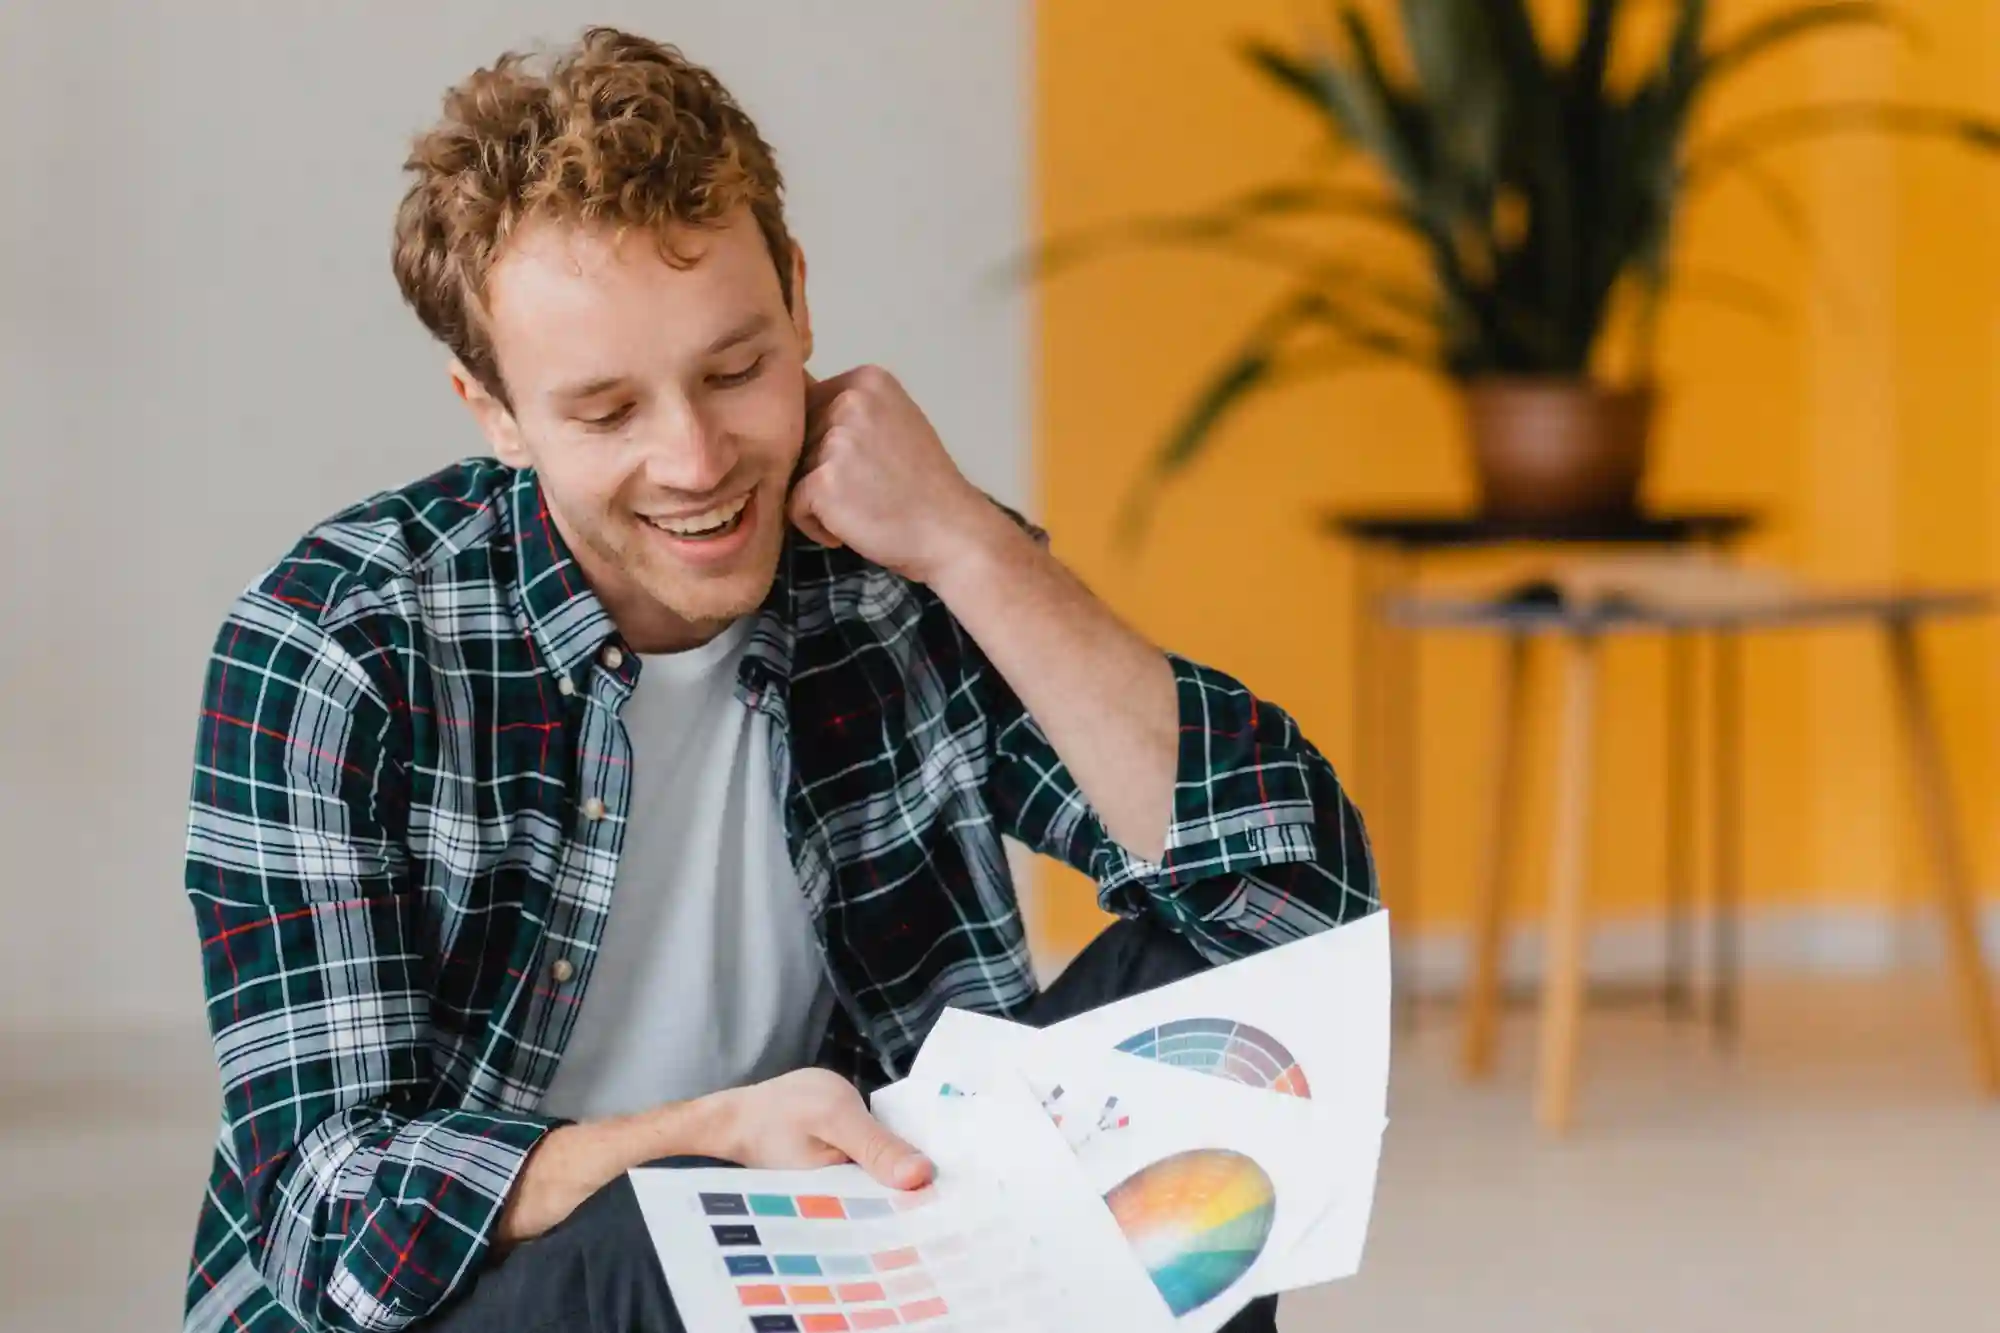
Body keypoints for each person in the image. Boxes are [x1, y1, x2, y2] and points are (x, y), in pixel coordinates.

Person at [179, 27, 1377, 1333]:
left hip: (834, 1255)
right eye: (606, 413)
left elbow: (1291, 907)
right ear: (494, 411)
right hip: (500, 1297)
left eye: (737, 370)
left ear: (800, 299)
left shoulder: (898, 570)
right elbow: (327, 1212)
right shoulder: (333, 653)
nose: (696, 461)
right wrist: (703, 1140)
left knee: (1201, 1056)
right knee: (645, 1229)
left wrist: (969, 546)